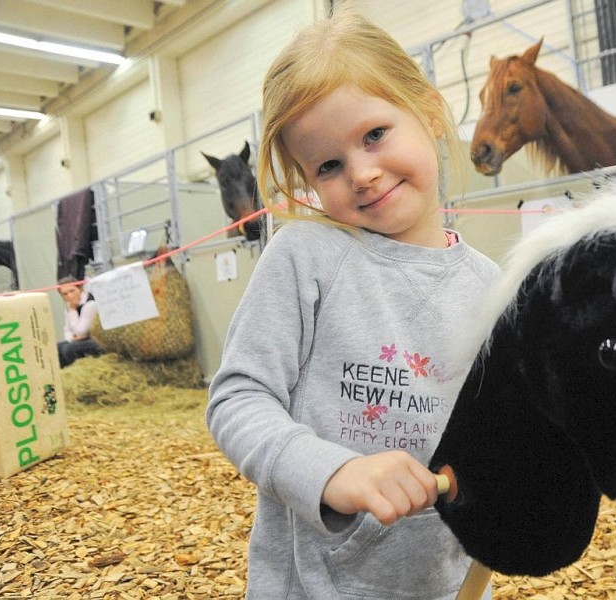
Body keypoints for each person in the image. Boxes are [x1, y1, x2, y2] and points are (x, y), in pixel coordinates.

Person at [206, 7, 500, 599]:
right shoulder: (305, 257)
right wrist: (331, 471)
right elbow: (238, 398)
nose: (362, 173)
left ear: (429, 111)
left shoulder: (494, 290)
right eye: (329, 165)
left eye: (374, 135)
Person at [56, 276, 104, 367]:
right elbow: (67, 329)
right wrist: (71, 338)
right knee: (57, 348)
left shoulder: (90, 304)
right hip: (79, 339)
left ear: (80, 288)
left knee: (69, 349)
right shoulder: (69, 306)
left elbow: (81, 331)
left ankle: (81, 370)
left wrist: (73, 311)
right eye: (65, 294)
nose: (69, 296)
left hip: (97, 340)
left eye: (72, 291)